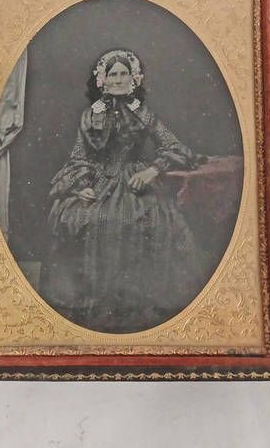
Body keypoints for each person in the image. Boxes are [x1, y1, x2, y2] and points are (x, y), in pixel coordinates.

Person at [42, 49, 209, 333]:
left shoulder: (143, 114)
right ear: (103, 80)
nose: (118, 79)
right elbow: (79, 155)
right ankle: (89, 302)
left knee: (148, 219)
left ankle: (137, 300)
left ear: (133, 79)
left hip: (135, 177)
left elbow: (174, 146)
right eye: (112, 74)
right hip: (98, 179)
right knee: (81, 217)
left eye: (123, 74)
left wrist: (152, 171)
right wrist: (82, 186)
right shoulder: (90, 115)